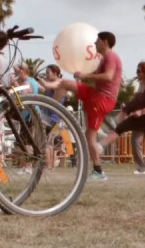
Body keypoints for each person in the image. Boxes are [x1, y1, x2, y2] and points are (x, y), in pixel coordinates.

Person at [41, 31, 122, 180]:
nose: (95, 43)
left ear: (105, 42)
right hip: (97, 96)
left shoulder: (111, 56)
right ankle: (97, 170)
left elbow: (108, 76)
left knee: (90, 137)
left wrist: (85, 75)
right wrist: (85, 75)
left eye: (97, 40)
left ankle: (98, 171)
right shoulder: (106, 58)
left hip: (102, 99)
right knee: (65, 84)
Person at [99, 62, 145, 176]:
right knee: (121, 127)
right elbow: (137, 101)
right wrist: (128, 107)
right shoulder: (142, 84)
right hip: (142, 116)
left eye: (139, 71)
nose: (137, 73)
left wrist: (141, 111)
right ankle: (100, 146)